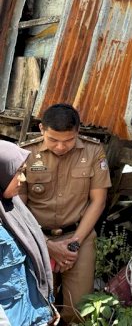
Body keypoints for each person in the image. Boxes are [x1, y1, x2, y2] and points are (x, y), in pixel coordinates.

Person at [19, 104, 111, 323]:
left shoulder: (93, 151)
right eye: (53, 139)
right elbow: (17, 208)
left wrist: (73, 245)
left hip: (78, 236)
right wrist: (47, 245)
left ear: (78, 131)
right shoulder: (25, 153)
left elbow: (98, 201)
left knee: (79, 308)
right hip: (34, 238)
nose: (60, 146)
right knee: (35, 306)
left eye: (68, 140)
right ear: (41, 129)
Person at [0, 141, 58, 325]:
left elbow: (28, 269)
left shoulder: (11, 208)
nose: (23, 179)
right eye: (17, 172)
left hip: (32, 316)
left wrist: (46, 308)